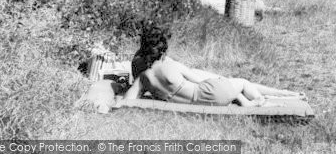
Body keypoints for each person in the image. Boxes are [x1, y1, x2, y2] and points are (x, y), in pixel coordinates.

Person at [125, 24, 301, 106]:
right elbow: (201, 80)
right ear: (162, 49)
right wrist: (221, 80)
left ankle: (247, 98)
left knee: (231, 86)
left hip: (200, 99)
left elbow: (128, 101)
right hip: (210, 94)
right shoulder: (170, 64)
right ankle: (280, 95)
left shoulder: (143, 79)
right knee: (241, 82)